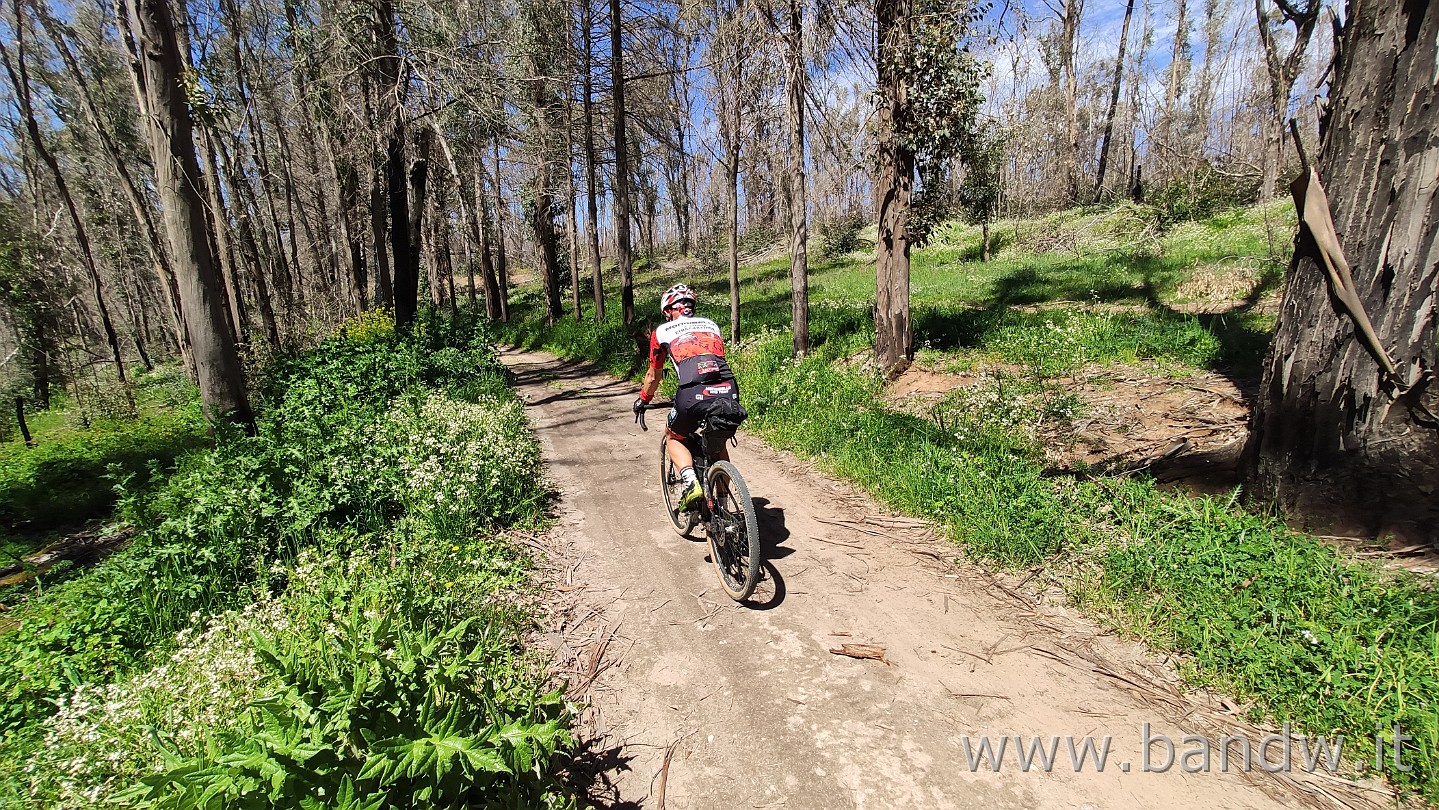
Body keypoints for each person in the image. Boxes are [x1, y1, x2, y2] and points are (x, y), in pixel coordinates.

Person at [633, 283, 739, 510]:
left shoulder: (662, 331)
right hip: (728, 389)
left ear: (668, 311)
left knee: (673, 436)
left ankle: (691, 483)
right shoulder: (711, 325)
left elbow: (654, 375)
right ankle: (722, 506)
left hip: (693, 392)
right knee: (717, 442)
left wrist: (644, 399)